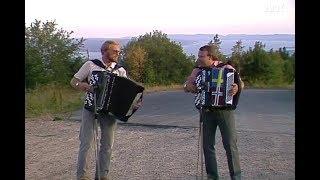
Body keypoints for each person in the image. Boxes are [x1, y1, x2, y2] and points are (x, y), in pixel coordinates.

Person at [184, 45, 243, 180]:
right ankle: (212, 176)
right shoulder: (197, 71)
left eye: (201, 56)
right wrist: (189, 86)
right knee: (207, 145)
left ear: (210, 57)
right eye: (198, 56)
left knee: (230, 145)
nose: (198, 59)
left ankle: (236, 177)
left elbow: (240, 84)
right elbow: (187, 86)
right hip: (206, 111)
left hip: (225, 112)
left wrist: (236, 88)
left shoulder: (226, 68)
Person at [70, 40, 126, 180]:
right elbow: (74, 81)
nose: (118, 54)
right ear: (104, 51)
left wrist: (132, 102)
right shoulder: (91, 65)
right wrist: (83, 85)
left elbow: (126, 90)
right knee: (86, 143)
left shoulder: (120, 70)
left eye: (119, 52)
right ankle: (83, 176)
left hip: (110, 111)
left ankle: (102, 176)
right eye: (115, 51)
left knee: (107, 144)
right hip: (91, 107)